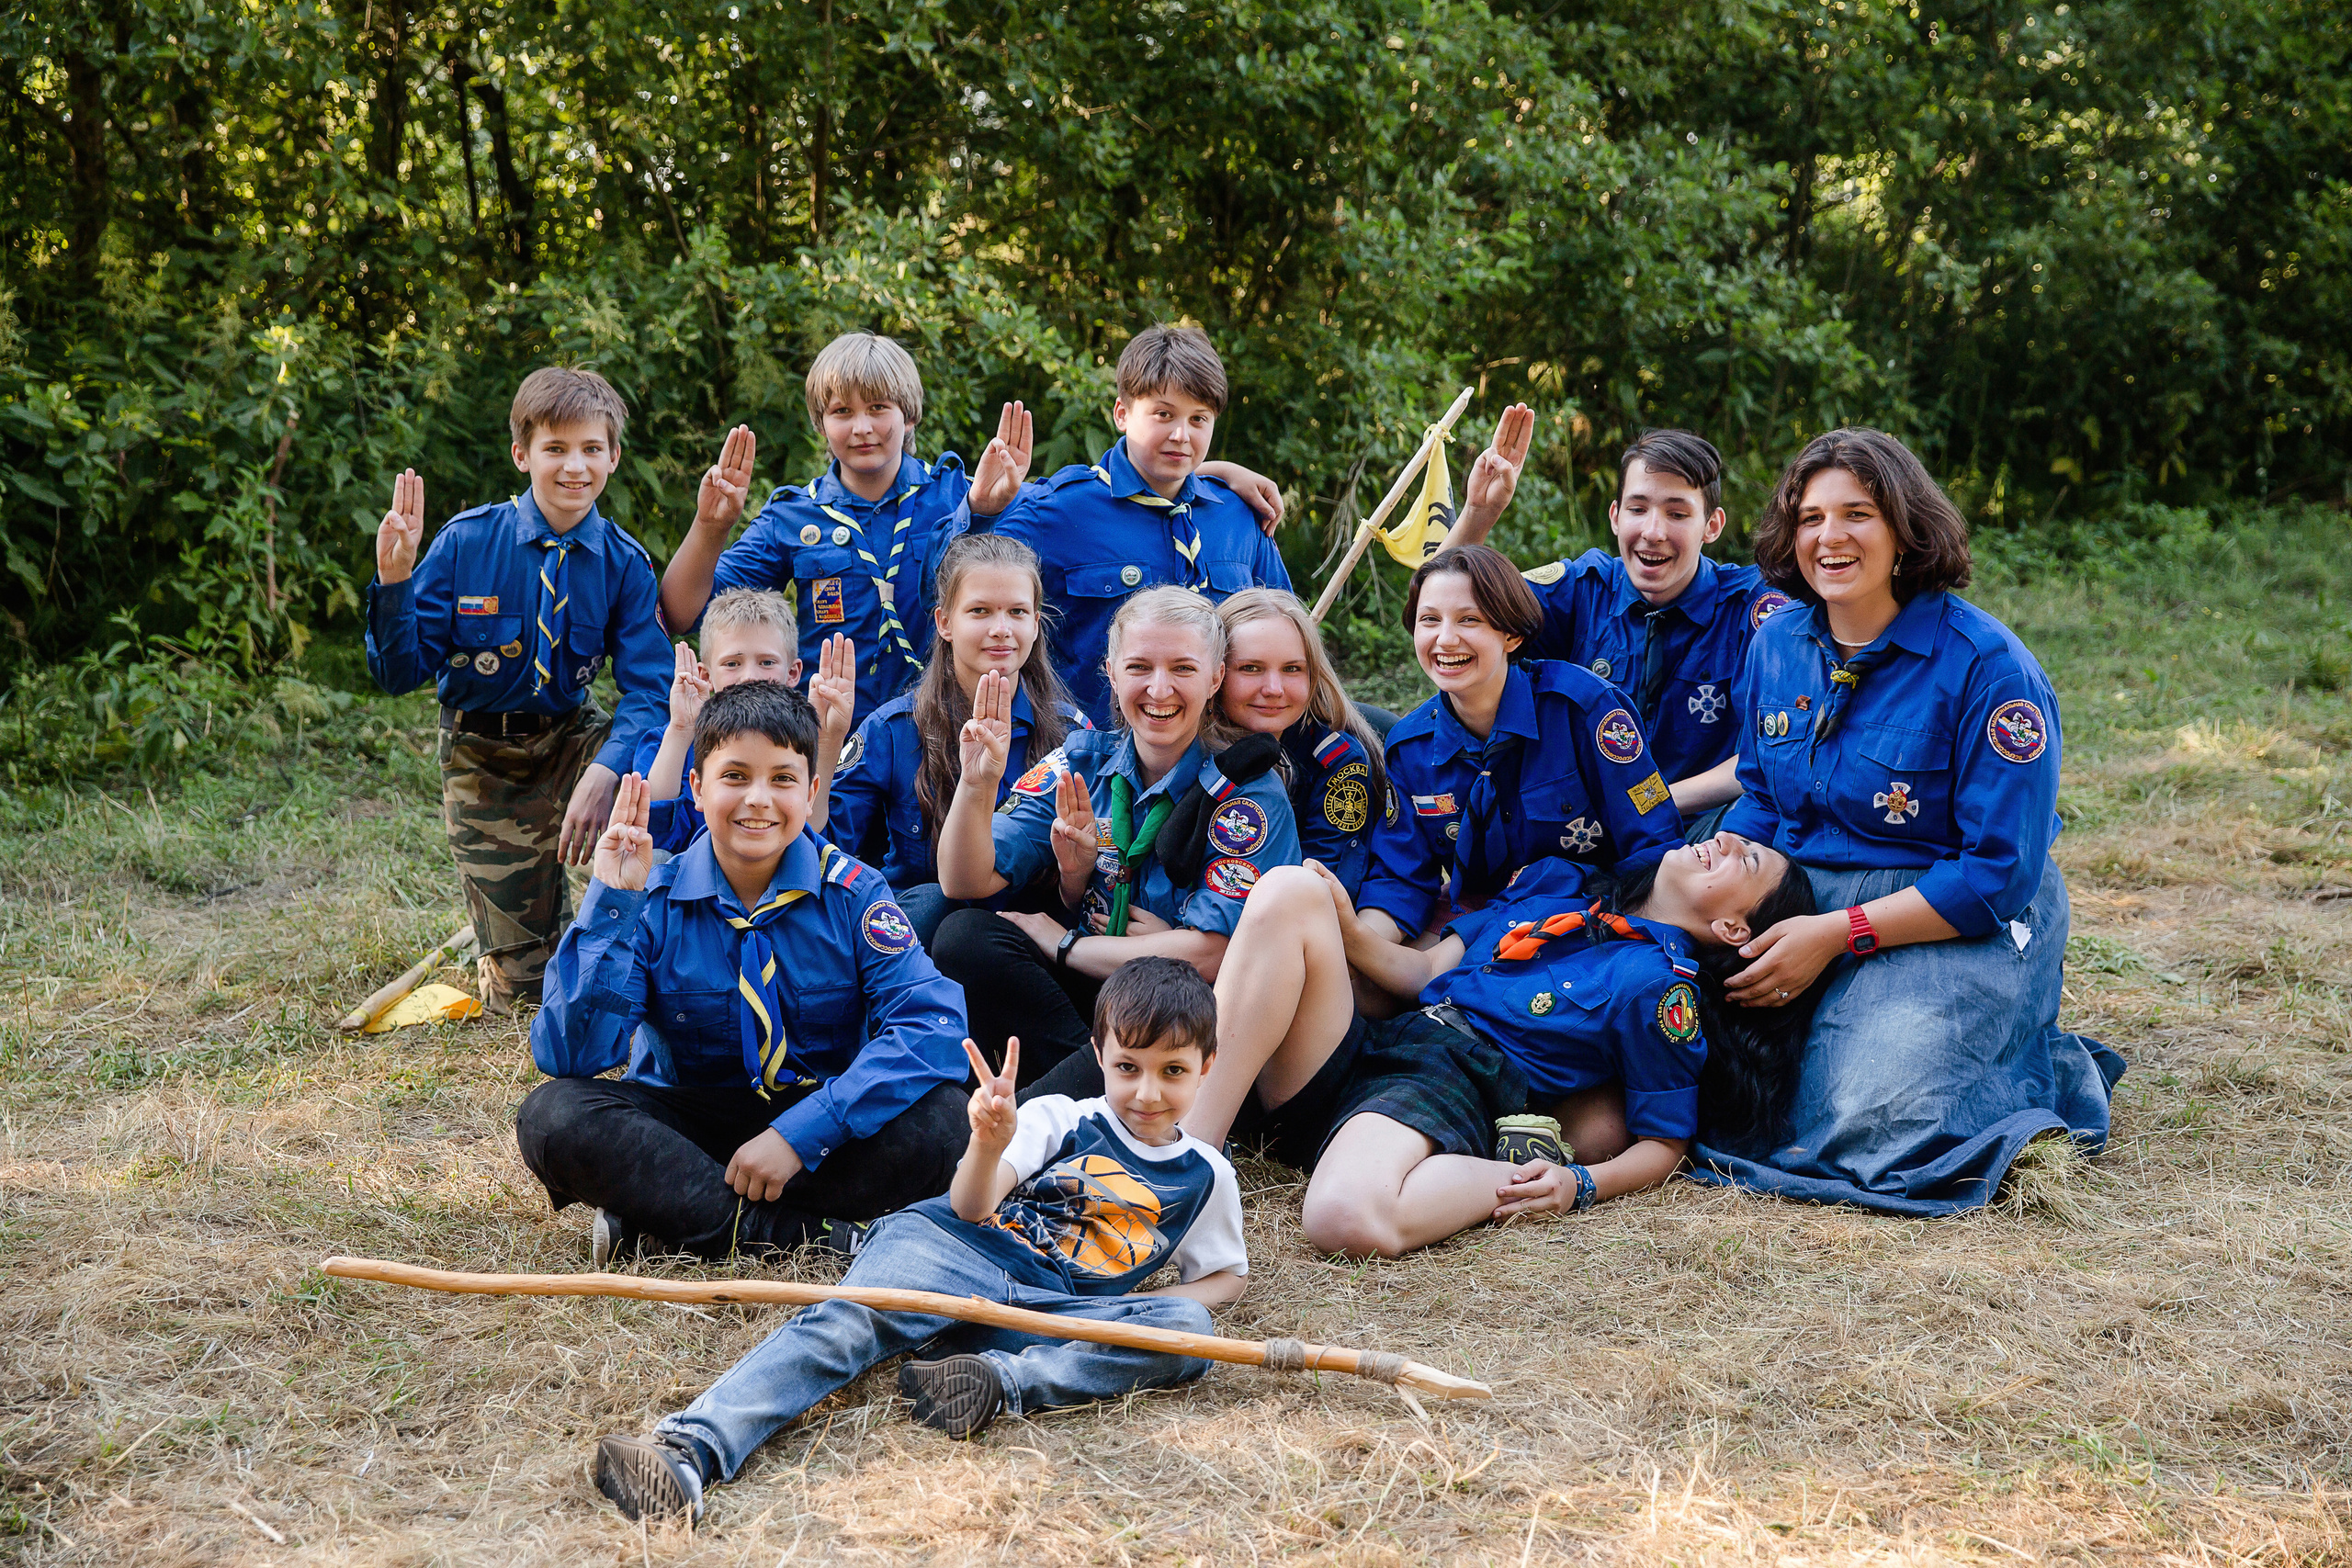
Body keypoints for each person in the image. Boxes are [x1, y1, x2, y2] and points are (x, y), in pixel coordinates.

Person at [589, 958, 1247, 1525]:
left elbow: (1226, 1277)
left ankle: (999, 1380)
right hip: (953, 1248)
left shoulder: (1208, 1176)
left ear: (1206, 1066)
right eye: (1128, 1066)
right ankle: (689, 1451)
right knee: (843, 1326)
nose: (1147, 1091)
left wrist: (1130, 1314)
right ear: (1100, 1054)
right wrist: (988, 1144)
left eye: (1172, 1070)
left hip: (1046, 1314)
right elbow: (972, 1202)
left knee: (1187, 1328)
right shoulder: (1064, 1119)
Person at [1691, 426, 2124, 1215]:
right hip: (1804, 892)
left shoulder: (1992, 670)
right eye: (1811, 517)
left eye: (1858, 513)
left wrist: (1833, 936)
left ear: (1904, 528)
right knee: (1685, 1046)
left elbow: (1997, 873)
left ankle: (2039, 1058)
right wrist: (1722, 908)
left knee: (1876, 1113)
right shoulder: (1778, 643)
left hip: (1950, 913)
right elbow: (1760, 792)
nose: (1831, 537)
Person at [1185, 832, 1820, 1258]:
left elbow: (1665, 1142)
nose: (1731, 839)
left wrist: (1579, 1182)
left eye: (1751, 861)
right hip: (1386, 1039)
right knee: (1290, 889)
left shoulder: (1659, 992)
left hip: (1450, 1078)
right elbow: (1428, 974)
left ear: (1734, 927)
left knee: (1344, 1216)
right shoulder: (1557, 883)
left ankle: (1487, 1168)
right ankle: (1185, 1160)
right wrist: (1346, 928)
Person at [517, 681, 970, 1267]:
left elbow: (931, 1025)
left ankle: (674, 1216)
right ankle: (803, 1236)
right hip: (686, 1128)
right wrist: (610, 907)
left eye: (782, 779)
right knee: (553, 1118)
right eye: (735, 776)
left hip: (816, 1129)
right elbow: (569, 1056)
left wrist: (801, 1134)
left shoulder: (855, 894)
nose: (758, 799)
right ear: (698, 787)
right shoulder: (651, 899)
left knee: (945, 1123)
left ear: (811, 793)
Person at [365, 367, 673, 1012]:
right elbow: (398, 674)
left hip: (570, 738)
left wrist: (607, 771)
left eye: (591, 449)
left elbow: (651, 690)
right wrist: (395, 580)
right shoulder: (466, 543)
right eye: (555, 449)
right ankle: (514, 941)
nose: (574, 468)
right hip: (482, 757)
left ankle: (655, 947)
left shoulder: (622, 562)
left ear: (614, 455)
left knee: (656, 787)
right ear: (522, 454)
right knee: (526, 993)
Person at [930, 587, 1301, 1091]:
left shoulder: (1247, 794)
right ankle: (1096, 1089)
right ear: (1110, 670)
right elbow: (963, 879)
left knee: (1161, 995)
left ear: (1215, 677)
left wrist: (1066, 943)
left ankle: (1053, 1109)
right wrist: (977, 786)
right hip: (1089, 997)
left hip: (1177, 1011)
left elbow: (1212, 954)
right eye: (1140, 667)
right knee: (962, 935)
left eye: (1184, 669)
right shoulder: (1080, 763)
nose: (1160, 689)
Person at [655, 333, 1019, 727]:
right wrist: (711, 526)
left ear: (909, 415)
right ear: (821, 423)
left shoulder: (959, 497)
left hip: (942, 732)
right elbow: (683, 614)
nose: (861, 427)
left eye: (878, 407)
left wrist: (984, 511)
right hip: (829, 739)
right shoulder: (793, 516)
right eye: (842, 411)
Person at [1442, 423, 1792, 829]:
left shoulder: (1752, 608)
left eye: (1677, 513)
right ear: (1615, 515)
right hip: (1581, 830)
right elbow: (1444, 619)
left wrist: (1646, 803)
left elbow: (1767, 754)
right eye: (1638, 509)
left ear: (1711, 525)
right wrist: (1479, 515)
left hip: (1698, 835)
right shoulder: (1582, 588)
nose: (1653, 532)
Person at [1352, 545, 1684, 952]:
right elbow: (1399, 878)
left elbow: (1655, 845)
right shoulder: (1411, 749)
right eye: (1429, 620)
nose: (1445, 639)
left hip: (1590, 922)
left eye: (1469, 619)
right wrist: (1357, 947)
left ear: (1512, 634)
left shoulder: (1583, 709)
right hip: (1477, 927)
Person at [980, 325, 1295, 726]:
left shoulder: (1238, 517)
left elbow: (1285, 635)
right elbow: (954, 587)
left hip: (1225, 754)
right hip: (1098, 756)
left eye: (1199, 419)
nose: (1181, 435)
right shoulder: (1061, 512)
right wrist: (982, 510)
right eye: (1163, 414)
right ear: (1122, 414)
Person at [820, 534, 1091, 945]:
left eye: (1017, 612)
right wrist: (825, 744)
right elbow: (819, 849)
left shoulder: (1071, 736)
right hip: (915, 953)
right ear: (945, 622)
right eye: (980, 611)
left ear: (1036, 624)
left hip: (1029, 952)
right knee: (934, 906)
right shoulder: (893, 730)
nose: (1001, 630)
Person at [632, 588, 855, 857]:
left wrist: (828, 742)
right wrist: (680, 732)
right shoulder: (666, 740)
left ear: (794, 672)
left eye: (767, 662)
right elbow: (649, 833)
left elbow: (808, 841)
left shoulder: (805, 741)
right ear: (705, 675)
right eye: (732, 664)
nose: (750, 675)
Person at [1215, 588, 1389, 898]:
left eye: (1292, 669)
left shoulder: (1336, 761)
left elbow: (1319, 888)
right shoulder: (1190, 747)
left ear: (1313, 675)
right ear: (1217, 674)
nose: (1273, 688)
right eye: (1251, 668)